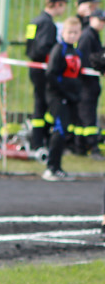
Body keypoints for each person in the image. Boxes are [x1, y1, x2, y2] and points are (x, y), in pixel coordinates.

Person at [26, 0, 67, 157]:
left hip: (34, 67)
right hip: (43, 68)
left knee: (39, 103)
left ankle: (37, 140)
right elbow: (43, 48)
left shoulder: (35, 20)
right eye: (63, 5)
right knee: (43, 104)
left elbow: (29, 46)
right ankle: (39, 141)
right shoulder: (48, 24)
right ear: (57, 4)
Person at [42, 17, 83, 181]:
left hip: (71, 97)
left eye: (75, 33)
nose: (72, 35)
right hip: (57, 96)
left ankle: (58, 167)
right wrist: (63, 93)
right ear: (63, 33)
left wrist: (75, 94)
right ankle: (51, 167)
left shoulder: (76, 52)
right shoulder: (59, 49)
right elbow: (51, 74)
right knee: (59, 129)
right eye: (69, 32)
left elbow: (78, 75)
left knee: (65, 130)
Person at [76, 9, 105, 159]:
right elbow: (85, 59)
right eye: (100, 20)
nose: (102, 24)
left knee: (85, 115)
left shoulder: (94, 35)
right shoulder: (88, 35)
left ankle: (80, 146)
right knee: (88, 116)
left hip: (91, 82)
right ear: (92, 19)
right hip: (86, 82)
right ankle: (92, 147)